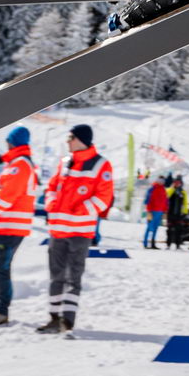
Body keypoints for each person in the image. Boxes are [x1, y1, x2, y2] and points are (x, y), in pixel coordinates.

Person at [36, 125, 114, 334]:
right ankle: (53, 319)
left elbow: (104, 197)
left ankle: (67, 321)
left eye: (70, 137)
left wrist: (81, 210)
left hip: (80, 231)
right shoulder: (64, 163)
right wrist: (50, 203)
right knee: (56, 276)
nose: (67, 141)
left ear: (81, 139)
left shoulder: (101, 165)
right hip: (57, 230)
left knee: (73, 277)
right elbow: (51, 187)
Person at [0, 127, 39, 325]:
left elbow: (8, 196)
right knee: (2, 267)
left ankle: (1, 311)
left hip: (10, 225)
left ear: (14, 142)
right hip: (9, 224)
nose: (6, 143)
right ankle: (0, 310)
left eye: (8, 140)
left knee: (2, 268)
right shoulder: (17, 163)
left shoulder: (20, 165)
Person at [143, 177, 168, 250]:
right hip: (151, 211)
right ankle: (145, 243)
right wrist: (149, 210)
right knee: (149, 227)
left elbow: (165, 201)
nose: (161, 182)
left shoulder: (163, 189)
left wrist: (165, 210)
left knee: (156, 228)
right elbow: (148, 200)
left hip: (159, 212)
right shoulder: (152, 189)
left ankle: (153, 243)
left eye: (163, 181)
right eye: (160, 180)